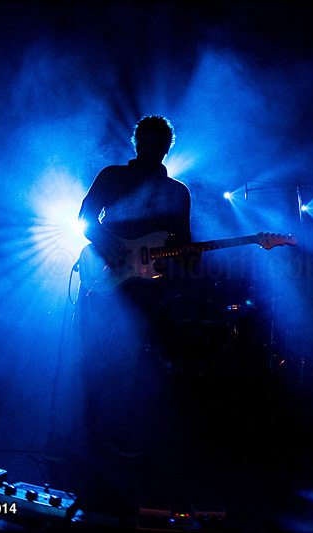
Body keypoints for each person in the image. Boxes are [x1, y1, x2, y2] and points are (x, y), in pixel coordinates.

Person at [75, 115, 197, 459]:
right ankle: (79, 432)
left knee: (125, 359)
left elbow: (183, 245)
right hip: (103, 276)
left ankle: (105, 434)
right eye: (145, 144)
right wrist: (106, 243)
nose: (151, 151)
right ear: (136, 143)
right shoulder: (113, 176)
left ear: (167, 148)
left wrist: (189, 256)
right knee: (90, 354)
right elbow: (85, 218)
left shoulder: (177, 192)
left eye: (158, 146)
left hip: (145, 287)